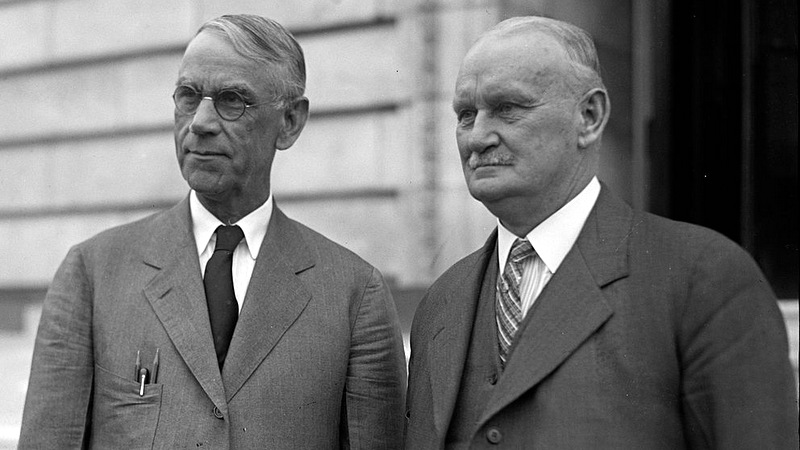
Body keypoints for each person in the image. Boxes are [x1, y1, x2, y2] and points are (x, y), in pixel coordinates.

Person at [404, 16, 798, 449]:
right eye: (465, 115)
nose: (477, 137)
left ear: (589, 117)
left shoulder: (704, 277)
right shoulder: (440, 305)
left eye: (507, 109)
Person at [19, 14, 406, 449]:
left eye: (232, 100)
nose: (200, 121)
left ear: (290, 122)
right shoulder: (93, 274)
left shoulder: (355, 295)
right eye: (188, 96)